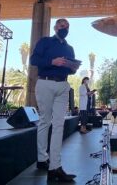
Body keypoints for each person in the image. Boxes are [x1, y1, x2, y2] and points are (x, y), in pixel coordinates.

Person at [30, 18, 78, 182]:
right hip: (45, 82)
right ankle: (42, 159)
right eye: (62, 25)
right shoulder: (45, 42)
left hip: (63, 85)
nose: (64, 27)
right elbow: (33, 60)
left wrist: (72, 67)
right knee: (44, 121)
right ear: (55, 27)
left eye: (67, 26)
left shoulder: (70, 48)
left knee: (59, 124)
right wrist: (52, 61)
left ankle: (55, 166)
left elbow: (71, 71)